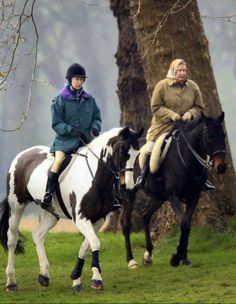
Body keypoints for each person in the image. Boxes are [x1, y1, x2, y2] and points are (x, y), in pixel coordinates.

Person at [135, 58, 215, 191]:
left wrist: (190, 113)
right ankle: (143, 176)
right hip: (163, 126)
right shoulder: (162, 86)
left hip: (187, 126)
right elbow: (155, 107)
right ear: (173, 71)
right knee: (151, 146)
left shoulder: (193, 87)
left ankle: (204, 180)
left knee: (202, 144)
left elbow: (199, 107)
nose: (182, 73)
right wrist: (171, 115)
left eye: (184, 70)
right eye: (179, 70)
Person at [41, 63, 102, 211]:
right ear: (70, 80)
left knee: (101, 160)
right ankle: (48, 193)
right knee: (58, 161)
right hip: (65, 142)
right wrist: (70, 129)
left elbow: (97, 117)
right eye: (76, 79)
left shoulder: (89, 99)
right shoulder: (60, 99)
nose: (79, 81)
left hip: (86, 141)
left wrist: (95, 128)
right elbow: (56, 124)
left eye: (81, 79)